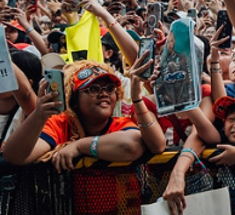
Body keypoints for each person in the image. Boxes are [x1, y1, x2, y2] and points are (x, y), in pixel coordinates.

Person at [3, 61, 153, 170]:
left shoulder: (120, 123)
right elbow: (15, 156)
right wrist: (39, 116)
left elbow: (132, 145)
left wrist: (79, 146)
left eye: (109, 88)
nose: (104, 94)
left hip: (120, 212)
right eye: (93, 89)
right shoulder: (60, 124)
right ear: (73, 99)